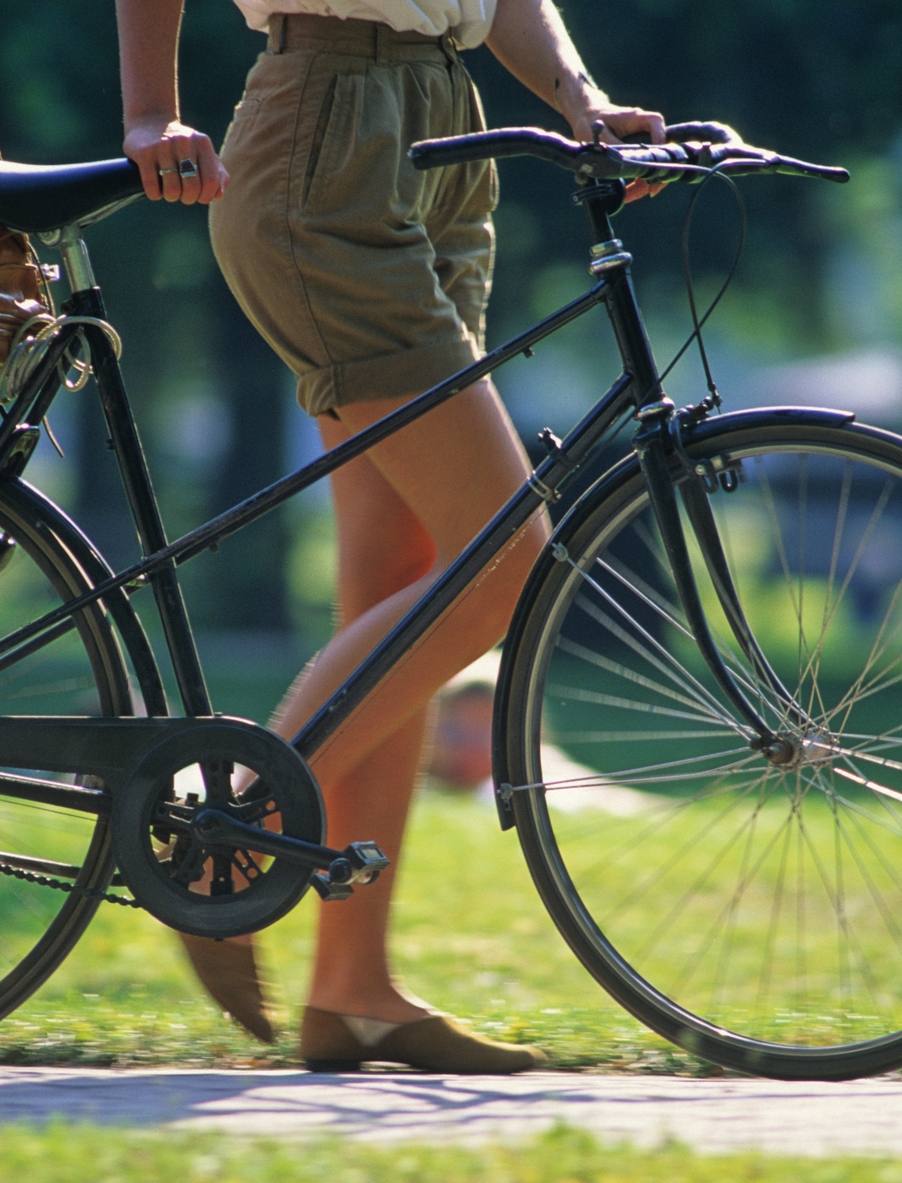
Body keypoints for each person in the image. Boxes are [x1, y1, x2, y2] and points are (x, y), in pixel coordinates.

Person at [117, 0, 665, 1073]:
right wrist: (149, 115)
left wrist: (583, 101)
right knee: (510, 565)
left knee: (403, 576)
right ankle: (224, 842)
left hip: (444, 138)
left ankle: (353, 992)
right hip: (326, 128)